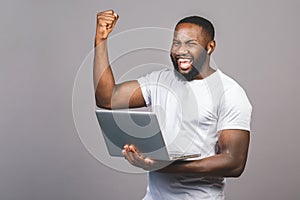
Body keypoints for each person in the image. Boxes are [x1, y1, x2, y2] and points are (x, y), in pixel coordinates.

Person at [94, 10, 252, 200]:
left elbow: (233, 163)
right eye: (176, 42)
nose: (180, 51)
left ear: (210, 47)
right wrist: (100, 42)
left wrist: (164, 166)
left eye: (191, 43)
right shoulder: (160, 80)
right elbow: (107, 98)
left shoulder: (229, 92)